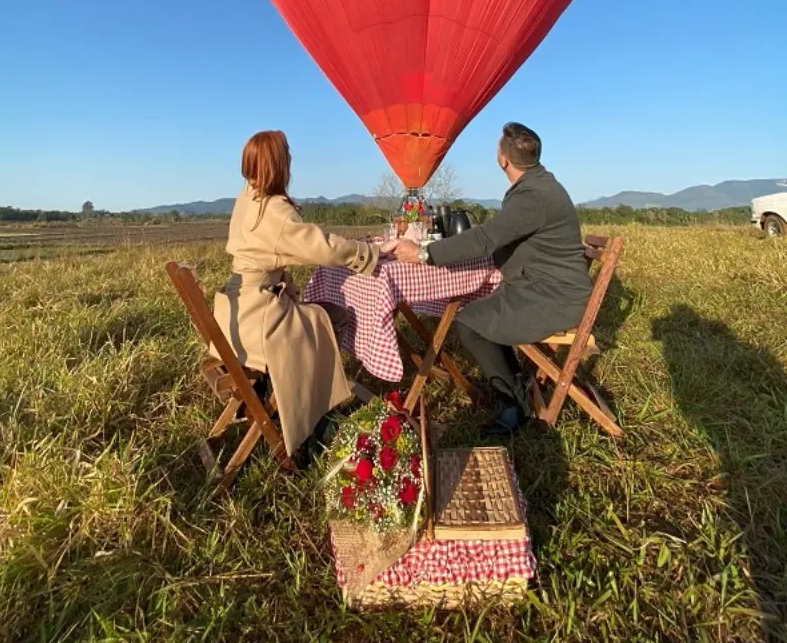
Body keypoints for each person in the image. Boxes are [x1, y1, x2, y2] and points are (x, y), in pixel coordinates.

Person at [388, 123, 591, 436]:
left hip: (554, 298)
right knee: (481, 313)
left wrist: (423, 254)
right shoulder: (539, 186)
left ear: (503, 160)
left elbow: (487, 238)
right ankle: (515, 383)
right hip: (541, 287)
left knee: (469, 322)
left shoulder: (533, 196)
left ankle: (514, 404)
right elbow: (495, 236)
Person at [211, 130, 384, 459]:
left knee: (317, 315)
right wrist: (368, 252)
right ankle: (312, 420)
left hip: (232, 314)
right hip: (257, 317)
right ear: (281, 163)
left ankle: (277, 395)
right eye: (287, 155)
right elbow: (323, 247)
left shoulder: (247, 195)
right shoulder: (275, 210)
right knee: (325, 318)